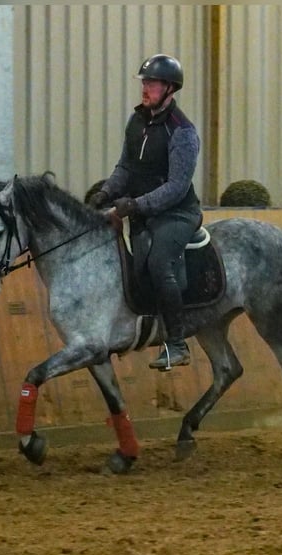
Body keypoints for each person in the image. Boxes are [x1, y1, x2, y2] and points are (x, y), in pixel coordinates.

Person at [88, 53, 202, 370]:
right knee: (134, 269)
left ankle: (177, 344)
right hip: (142, 213)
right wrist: (106, 191)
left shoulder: (183, 132)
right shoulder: (137, 121)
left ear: (170, 88)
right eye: (145, 82)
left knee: (157, 262)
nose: (146, 88)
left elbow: (177, 186)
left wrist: (136, 204)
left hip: (177, 214)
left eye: (151, 83)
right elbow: (126, 166)